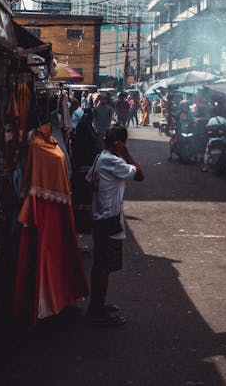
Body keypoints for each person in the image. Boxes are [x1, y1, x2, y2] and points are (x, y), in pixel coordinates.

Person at [86, 124, 144, 326]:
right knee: (104, 267)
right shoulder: (112, 161)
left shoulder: (100, 157)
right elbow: (140, 174)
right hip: (108, 220)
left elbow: (89, 181)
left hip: (100, 218)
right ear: (119, 143)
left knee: (100, 266)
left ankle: (97, 306)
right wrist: (126, 153)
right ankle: (97, 312)